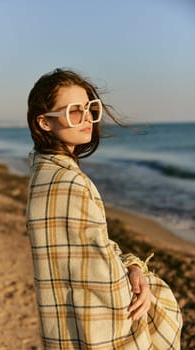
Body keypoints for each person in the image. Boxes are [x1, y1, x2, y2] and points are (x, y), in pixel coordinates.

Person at [26, 68, 182, 349]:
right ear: (44, 123)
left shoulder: (45, 173)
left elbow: (97, 251)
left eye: (90, 108)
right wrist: (146, 281)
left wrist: (134, 266)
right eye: (74, 111)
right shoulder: (69, 181)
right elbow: (101, 283)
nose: (87, 118)